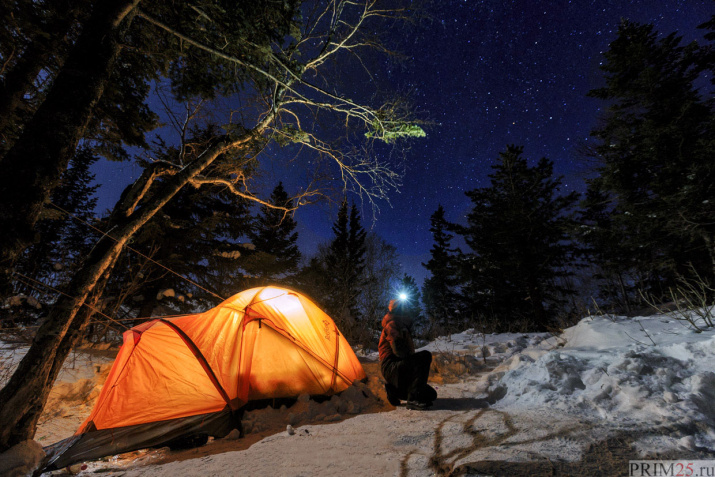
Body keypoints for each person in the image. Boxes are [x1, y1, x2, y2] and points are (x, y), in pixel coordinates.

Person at [378, 298, 437, 409]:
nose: (408, 310)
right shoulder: (392, 324)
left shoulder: (402, 326)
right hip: (391, 365)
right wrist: (414, 363)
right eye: (405, 308)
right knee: (425, 356)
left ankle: (393, 390)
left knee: (431, 394)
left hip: (399, 366)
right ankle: (413, 399)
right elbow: (399, 351)